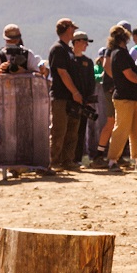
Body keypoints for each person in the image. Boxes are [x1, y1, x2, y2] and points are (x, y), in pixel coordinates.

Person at [105, 24, 137, 172]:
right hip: (124, 97)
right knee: (121, 129)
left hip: (132, 97)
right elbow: (129, 75)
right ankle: (112, 160)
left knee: (136, 130)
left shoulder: (119, 52)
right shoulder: (120, 54)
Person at [49, 18, 84, 171]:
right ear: (66, 29)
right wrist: (75, 92)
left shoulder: (68, 50)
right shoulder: (58, 49)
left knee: (72, 131)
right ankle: (54, 161)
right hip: (61, 96)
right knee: (59, 130)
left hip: (71, 98)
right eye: (72, 28)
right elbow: (61, 72)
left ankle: (67, 160)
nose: (74, 30)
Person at [70, 30, 98, 169]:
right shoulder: (68, 60)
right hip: (69, 101)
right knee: (68, 131)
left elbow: (91, 82)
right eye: (84, 41)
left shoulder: (88, 61)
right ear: (76, 42)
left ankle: (77, 159)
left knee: (81, 130)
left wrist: (87, 99)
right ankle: (65, 159)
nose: (86, 44)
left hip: (83, 102)